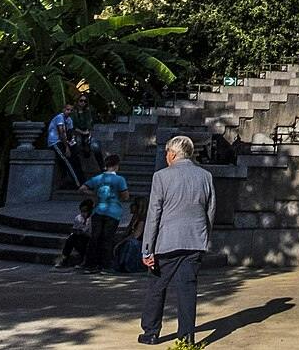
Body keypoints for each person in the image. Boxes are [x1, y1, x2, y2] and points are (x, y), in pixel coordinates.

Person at [138, 134, 214, 346]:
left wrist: (147, 249)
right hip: (195, 240)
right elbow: (210, 211)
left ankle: (151, 332)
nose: (166, 157)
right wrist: (205, 238)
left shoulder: (161, 177)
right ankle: (187, 337)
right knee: (187, 289)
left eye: (166, 153)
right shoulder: (205, 176)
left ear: (172, 153)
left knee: (156, 286)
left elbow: (154, 214)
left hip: (167, 241)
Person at [79, 153, 128, 272]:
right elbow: (125, 196)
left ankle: (90, 264)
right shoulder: (120, 179)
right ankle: (106, 265)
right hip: (113, 212)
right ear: (116, 166)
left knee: (95, 238)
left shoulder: (98, 178)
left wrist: (95, 194)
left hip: (99, 210)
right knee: (107, 238)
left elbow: (82, 188)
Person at [46, 104, 83, 186]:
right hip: (55, 141)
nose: (69, 112)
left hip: (64, 141)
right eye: (67, 110)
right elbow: (61, 133)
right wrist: (67, 148)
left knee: (75, 157)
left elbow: (70, 133)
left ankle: (82, 180)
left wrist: (72, 145)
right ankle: (78, 184)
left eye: (71, 110)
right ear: (63, 110)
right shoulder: (60, 117)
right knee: (66, 159)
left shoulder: (69, 120)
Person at [55, 200, 93, 268]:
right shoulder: (78, 218)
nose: (83, 214)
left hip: (89, 238)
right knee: (70, 239)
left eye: (85, 211)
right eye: (82, 211)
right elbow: (75, 229)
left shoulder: (93, 219)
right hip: (80, 236)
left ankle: (84, 261)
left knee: (84, 243)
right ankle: (64, 259)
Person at [111, 202, 146, 274]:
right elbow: (127, 231)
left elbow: (136, 235)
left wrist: (121, 242)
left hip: (139, 242)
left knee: (131, 243)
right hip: (130, 238)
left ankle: (128, 265)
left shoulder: (142, 219)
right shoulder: (134, 218)